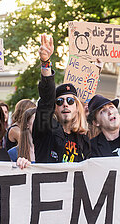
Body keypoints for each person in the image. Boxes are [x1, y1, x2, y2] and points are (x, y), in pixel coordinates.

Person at [32, 34, 90, 163]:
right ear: (55, 109)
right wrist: (45, 63)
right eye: (59, 102)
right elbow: (46, 101)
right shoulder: (45, 130)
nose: (65, 105)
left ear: (77, 108)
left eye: (70, 101)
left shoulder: (83, 140)